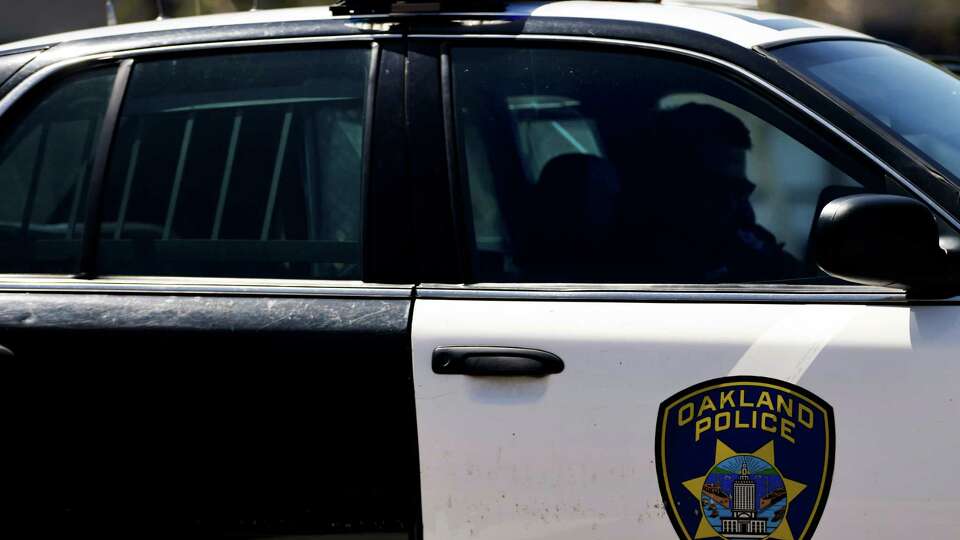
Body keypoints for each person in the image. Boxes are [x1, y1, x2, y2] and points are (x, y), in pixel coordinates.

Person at [623, 103, 802, 282]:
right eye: (724, 189)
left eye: (741, 190)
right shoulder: (665, 251)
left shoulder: (740, 236)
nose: (741, 202)